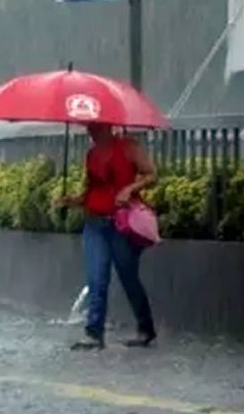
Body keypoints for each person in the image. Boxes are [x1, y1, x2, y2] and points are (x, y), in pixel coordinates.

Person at [63, 123, 157, 350]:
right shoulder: (92, 155)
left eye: (96, 127)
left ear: (107, 126)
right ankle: (94, 333)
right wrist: (74, 200)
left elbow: (152, 174)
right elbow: (91, 190)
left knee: (128, 277)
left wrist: (130, 189)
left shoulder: (128, 147)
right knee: (97, 278)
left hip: (121, 224)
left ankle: (146, 328)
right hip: (94, 223)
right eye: (89, 128)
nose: (91, 132)